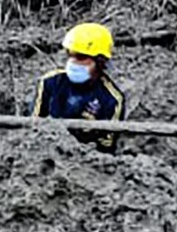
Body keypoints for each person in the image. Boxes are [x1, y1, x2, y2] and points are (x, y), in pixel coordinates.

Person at [29, 22, 127, 152]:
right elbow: (31, 129)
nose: (73, 62)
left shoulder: (112, 100)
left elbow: (106, 149)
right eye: (71, 55)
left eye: (81, 57)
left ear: (100, 62)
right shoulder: (50, 83)